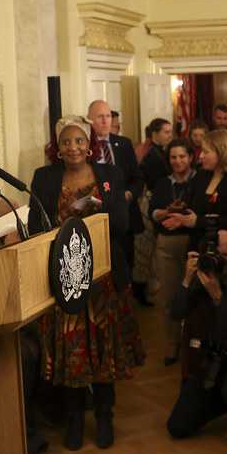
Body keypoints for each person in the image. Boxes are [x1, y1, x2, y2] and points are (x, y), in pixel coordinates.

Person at [28, 115, 145, 450]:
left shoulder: (110, 174)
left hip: (104, 276)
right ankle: (75, 420)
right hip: (64, 277)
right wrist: (62, 221)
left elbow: (121, 226)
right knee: (72, 354)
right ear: (57, 149)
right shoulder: (45, 177)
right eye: (66, 142)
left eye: (79, 141)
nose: (73, 147)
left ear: (90, 144)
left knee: (106, 351)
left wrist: (92, 217)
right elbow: (37, 226)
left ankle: (105, 417)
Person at [166, 231, 227, 440]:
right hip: (213, 361)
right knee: (178, 427)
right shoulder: (207, 277)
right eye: (215, 254)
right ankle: (221, 400)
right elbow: (176, 313)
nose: (219, 260)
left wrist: (217, 295)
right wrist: (187, 279)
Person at [88, 100, 148, 306]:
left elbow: (138, 179)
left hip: (123, 219)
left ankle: (124, 308)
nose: (106, 121)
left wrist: (127, 196)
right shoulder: (84, 147)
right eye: (100, 116)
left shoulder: (123, 144)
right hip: (94, 220)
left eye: (108, 116)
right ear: (89, 119)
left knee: (125, 267)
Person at [170, 130, 227, 266]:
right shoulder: (200, 176)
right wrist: (182, 216)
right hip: (198, 249)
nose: (201, 155)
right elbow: (191, 208)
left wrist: (199, 221)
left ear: (221, 152)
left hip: (226, 255)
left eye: (206, 151)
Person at [150, 137, 197, 365]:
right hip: (166, 244)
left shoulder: (200, 180)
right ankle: (172, 341)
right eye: (173, 157)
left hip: (192, 243)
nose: (177, 161)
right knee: (168, 296)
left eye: (182, 156)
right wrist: (166, 212)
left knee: (195, 297)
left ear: (190, 157)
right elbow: (152, 213)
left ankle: (193, 340)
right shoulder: (162, 184)